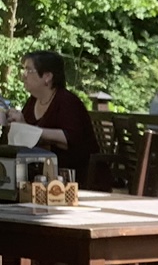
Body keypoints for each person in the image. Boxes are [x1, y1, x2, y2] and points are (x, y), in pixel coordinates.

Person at [18, 50, 99, 179]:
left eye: (28, 71)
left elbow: (71, 139)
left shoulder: (67, 101)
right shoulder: (32, 101)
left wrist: (29, 130)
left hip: (76, 176)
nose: (23, 76)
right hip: (43, 175)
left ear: (47, 77)